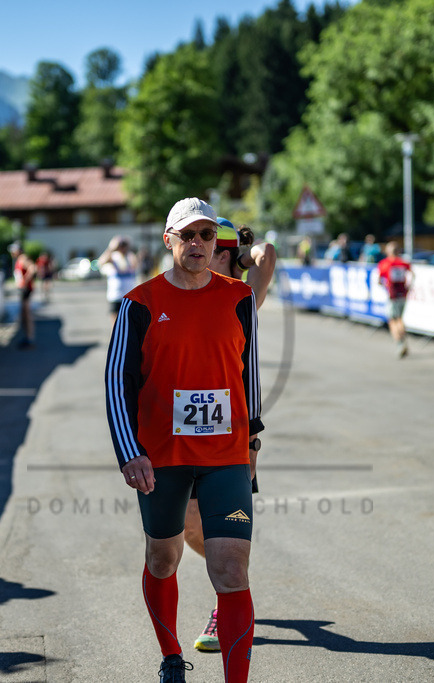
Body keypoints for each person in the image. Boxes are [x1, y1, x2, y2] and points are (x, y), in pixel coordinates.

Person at [105, 197, 262, 683]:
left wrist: (253, 441)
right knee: (163, 556)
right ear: (169, 240)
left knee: (232, 571)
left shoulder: (238, 298)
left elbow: (249, 374)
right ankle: (172, 656)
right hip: (163, 460)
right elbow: (117, 384)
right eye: (187, 235)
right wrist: (130, 453)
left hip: (226, 459)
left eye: (207, 236)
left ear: (218, 242)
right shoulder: (139, 304)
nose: (197, 244)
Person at [185, 217, 275, 654]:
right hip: (185, 435)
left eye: (211, 244)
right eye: (195, 240)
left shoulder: (243, 298)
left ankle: (228, 597)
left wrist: (240, 253)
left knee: (225, 525)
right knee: (187, 527)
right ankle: (234, 576)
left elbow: (267, 255)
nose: (200, 249)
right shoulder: (184, 290)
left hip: (235, 435)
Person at [377, 241, 413, 359]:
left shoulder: (385, 263)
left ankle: (400, 343)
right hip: (402, 294)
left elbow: (379, 280)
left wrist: (385, 288)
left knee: (393, 320)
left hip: (392, 295)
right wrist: (408, 287)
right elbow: (413, 275)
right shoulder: (403, 263)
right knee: (400, 318)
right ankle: (403, 340)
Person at [98, 235, 138, 325]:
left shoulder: (130, 257)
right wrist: (111, 248)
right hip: (115, 297)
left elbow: (136, 264)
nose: (122, 248)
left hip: (129, 297)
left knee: (130, 323)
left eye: (124, 245)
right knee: (116, 324)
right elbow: (100, 262)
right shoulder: (113, 257)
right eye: (121, 245)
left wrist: (129, 248)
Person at [11, 243, 36, 347]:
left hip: (26, 289)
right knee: (24, 313)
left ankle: (30, 337)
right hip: (23, 289)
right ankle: (27, 336)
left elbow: (33, 268)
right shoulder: (19, 259)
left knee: (27, 313)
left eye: (13, 250)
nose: (12, 253)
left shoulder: (23, 258)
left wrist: (25, 281)